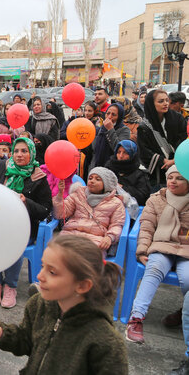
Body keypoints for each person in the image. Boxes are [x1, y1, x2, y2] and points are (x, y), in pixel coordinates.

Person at [0, 234, 128, 374]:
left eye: (52, 272)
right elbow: (26, 340)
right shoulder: (38, 305)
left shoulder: (106, 343)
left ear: (82, 285)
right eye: (42, 266)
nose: (40, 276)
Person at [0, 137, 52, 308]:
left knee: (13, 243)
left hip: (23, 227)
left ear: (31, 153)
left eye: (24, 151)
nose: (19, 155)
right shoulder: (0, 167)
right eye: (17, 151)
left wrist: (26, 201)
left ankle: (10, 286)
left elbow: (45, 210)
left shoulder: (38, 177)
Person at [126, 165, 189, 344]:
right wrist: (142, 251)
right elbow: (146, 227)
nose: (173, 182)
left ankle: (184, 311)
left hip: (186, 249)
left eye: (179, 178)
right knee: (154, 269)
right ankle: (136, 319)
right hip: (162, 245)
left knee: (188, 278)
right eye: (170, 178)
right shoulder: (156, 199)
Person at [54, 167, 126, 256]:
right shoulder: (78, 193)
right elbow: (60, 213)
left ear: (106, 184)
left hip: (95, 238)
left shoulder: (116, 203)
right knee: (57, 253)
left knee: (86, 259)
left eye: (98, 179)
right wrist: (59, 195)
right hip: (71, 233)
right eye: (90, 178)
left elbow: (117, 224)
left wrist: (110, 237)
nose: (92, 181)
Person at [137, 89, 186, 189]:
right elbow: (144, 150)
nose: (165, 104)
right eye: (161, 101)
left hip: (179, 167)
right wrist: (163, 160)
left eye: (167, 100)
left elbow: (184, 142)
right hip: (158, 172)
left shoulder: (178, 119)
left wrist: (173, 161)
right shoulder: (144, 127)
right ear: (151, 104)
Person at [105, 140, 150, 206]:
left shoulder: (140, 172)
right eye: (118, 152)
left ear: (132, 154)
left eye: (125, 153)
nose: (120, 156)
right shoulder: (109, 167)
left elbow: (143, 196)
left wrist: (122, 187)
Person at [91, 102, 131, 168]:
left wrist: (110, 129)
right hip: (97, 167)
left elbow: (119, 149)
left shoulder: (124, 130)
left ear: (119, 117)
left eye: (113, 115)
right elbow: (93, 150)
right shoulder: (100, 129)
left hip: (113, 168)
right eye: (108, 113)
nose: (109, 117)